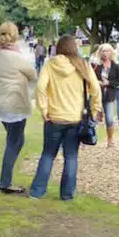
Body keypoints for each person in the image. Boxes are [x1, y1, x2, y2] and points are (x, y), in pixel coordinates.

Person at [30, 35, 102, 201]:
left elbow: (40, 87)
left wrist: (44, 109)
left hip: (54, 117)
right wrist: (95, 108)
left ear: (59, 48)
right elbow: (96, 88)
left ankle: (37, 191)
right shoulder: (82, 65)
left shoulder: (50, 64)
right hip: (76, 118)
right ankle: (67, 194)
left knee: (48, 155)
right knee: (71, 157)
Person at [0, 22, 37, 195]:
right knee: (14, 142)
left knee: (15, 140)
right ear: (15, 36)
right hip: (15, 106)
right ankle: (5, 183)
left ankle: (6, 181)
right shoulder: (16, 57)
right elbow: (33, 74)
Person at [94, 43, 119, 147]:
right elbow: (91, 78)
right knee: (93, 119)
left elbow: (118, 81)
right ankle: (87, 139)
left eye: (107, 51)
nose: (105, 53)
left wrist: (109, 83)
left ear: (111, 52)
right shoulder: (96, 65)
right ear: (100, 52)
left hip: (109, 95)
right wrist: (97, 82)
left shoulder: (115, 66)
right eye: (103, 51)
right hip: (97, 95)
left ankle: (110, 140)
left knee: (109, 119)